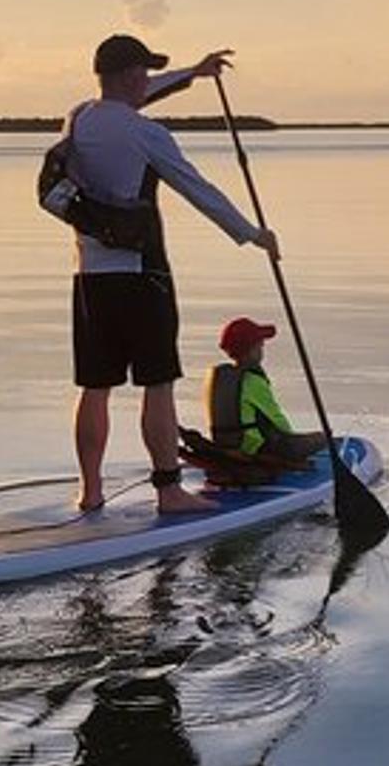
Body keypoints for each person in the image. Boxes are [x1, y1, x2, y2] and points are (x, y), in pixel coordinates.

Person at [66, 34, 279, 514]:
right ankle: (169, 491)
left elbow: (138, 94)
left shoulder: (78, 119)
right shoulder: (147, 134)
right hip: (144, 277)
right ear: (125, 76)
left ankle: (90, 491)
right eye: (142, 72)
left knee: (94, 386)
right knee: (157, 383)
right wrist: (252, 234)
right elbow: (196, 189)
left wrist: (192, 73)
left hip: (89, 278)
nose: (148, 81)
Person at [206, 316, 327, 465]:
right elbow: (278, 421)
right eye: (260, 344)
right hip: (255, 449)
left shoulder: (219, 376)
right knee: (322, 438)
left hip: (226, 445)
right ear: (251, 350)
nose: (262, 347)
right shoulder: (252, 380)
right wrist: (295, 443)